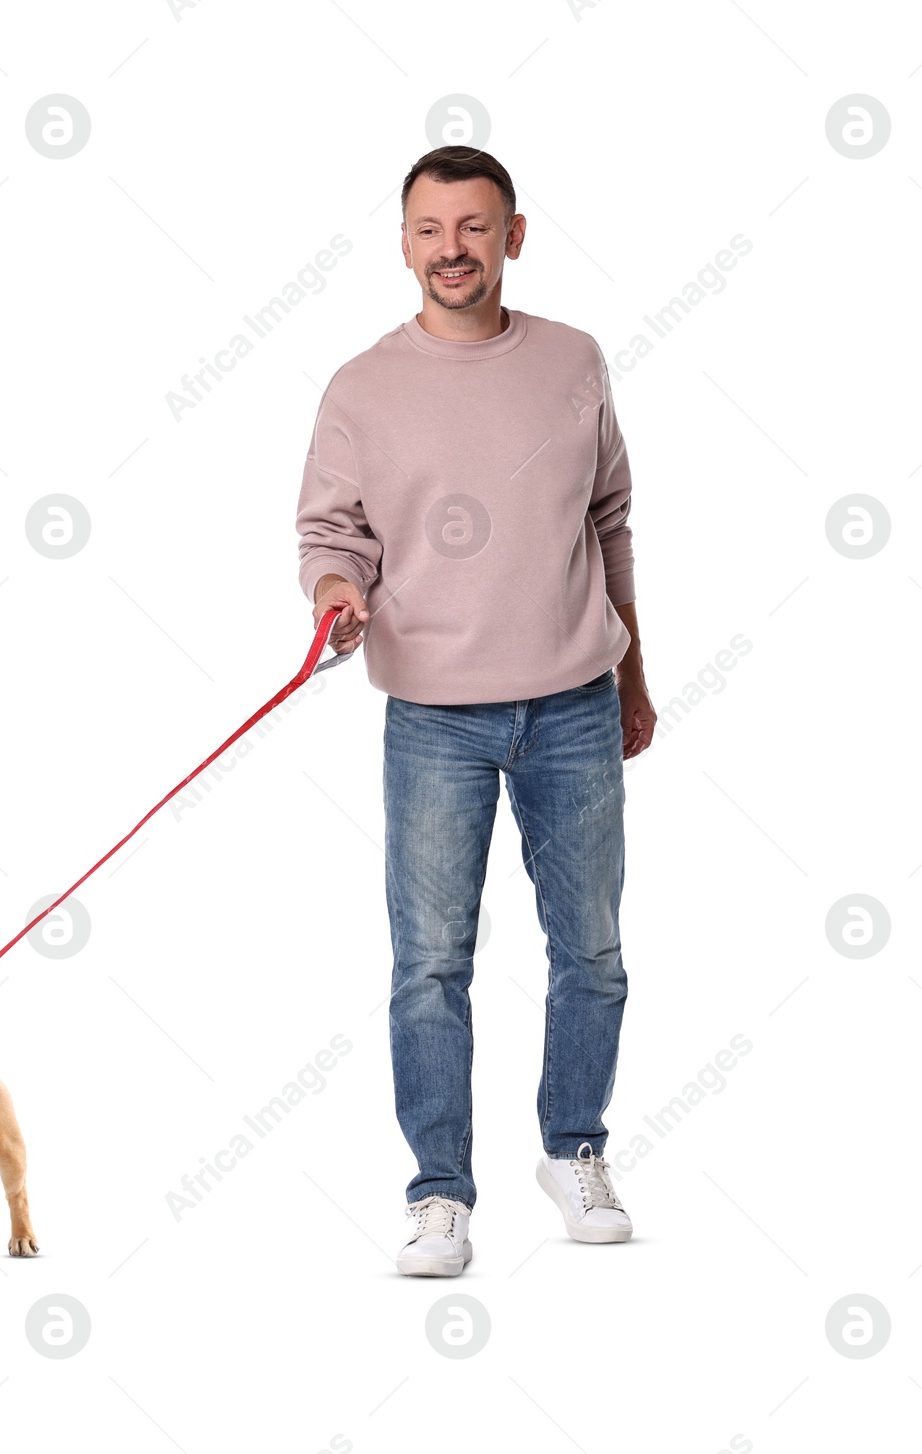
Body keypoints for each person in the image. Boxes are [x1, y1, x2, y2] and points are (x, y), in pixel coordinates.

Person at [294, 145, 658, 1276]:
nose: (450, 249)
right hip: (434, 716)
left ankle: (574, 1148)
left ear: (513, 234)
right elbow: (329, 531)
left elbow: (610, 518)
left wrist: (634, 673)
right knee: (428, 965)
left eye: (472, 226)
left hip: (574, 702)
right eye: (427, 229)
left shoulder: (573, 359)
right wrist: (339, 591)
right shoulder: (360, 386)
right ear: (403, 241)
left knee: (590, 951)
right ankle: (440, 1191)